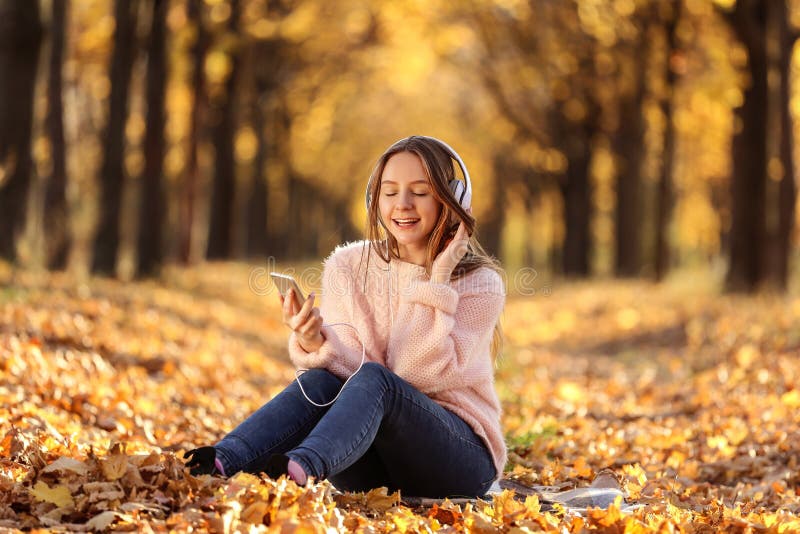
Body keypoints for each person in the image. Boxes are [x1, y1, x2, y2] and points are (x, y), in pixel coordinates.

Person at [184, 135, 507, 498]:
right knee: (323, 381)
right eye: (389, 192)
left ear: (452, 201)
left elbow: (415, 376)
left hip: (457, 461)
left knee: (377, 380)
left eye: (420, 192)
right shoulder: (349, 265)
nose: (402, 204)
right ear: (374, 198)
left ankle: (299, 470)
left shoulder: (480, 283)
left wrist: (437, 279)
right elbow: (354, 378)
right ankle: (221, 461)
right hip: (369, 464)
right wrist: (314, 342)